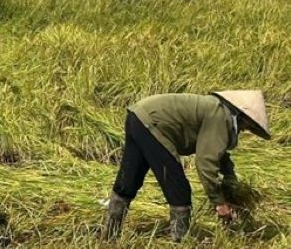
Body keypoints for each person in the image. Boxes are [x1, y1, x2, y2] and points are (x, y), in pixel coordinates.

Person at [104, 90, 271, 242]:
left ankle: (109, 236)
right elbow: (206, 162)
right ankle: (180, 241)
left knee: (129, 179)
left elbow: (221, 157)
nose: (244, 130)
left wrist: (231, 184)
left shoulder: (217, 110)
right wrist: (219, 202)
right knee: (179, 190)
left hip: (137, 116)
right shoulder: (221, 117)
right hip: (153, 123)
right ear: (243, 117)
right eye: (248, 127)